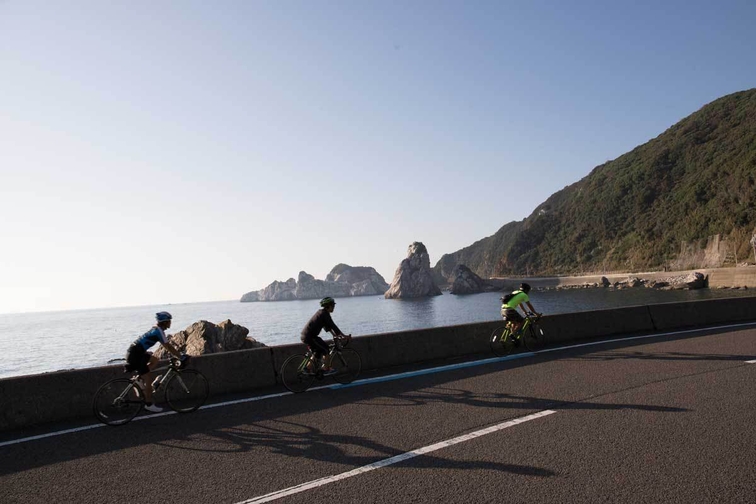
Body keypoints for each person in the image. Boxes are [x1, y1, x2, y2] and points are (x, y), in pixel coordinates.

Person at [125, 311, 183, 413]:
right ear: (164, 322)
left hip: (136, 352)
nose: (170, 323)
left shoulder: (156, 329)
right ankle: (149, 404)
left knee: (155, 360)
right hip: (136, 355)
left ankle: (139, 378)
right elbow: (168, 346)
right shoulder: (158, 331)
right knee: (148, 379)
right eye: (169, 321)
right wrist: (181, 357)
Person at [300, 297, 351, 374]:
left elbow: (327, 326)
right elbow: (333, 325)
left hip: (307, 336)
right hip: (310, 337)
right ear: (328, 306)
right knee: (326, 349)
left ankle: (307, 369)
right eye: (333, 306)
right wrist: (344, 336)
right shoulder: (324, 314)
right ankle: (326, 369)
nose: (334, 307)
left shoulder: (321, 313)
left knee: (318, 352)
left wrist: (334, 335)